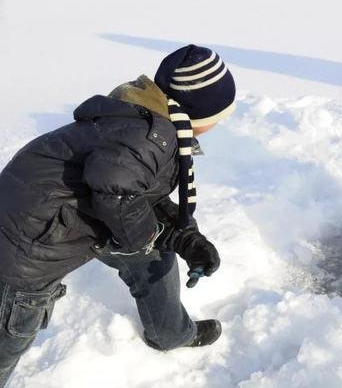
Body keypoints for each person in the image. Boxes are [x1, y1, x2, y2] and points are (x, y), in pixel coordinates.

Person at [0, 44, 236, 386]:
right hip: (26, 250)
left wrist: (183, 235)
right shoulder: (149, 138)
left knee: (153, 257)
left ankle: (168, 333)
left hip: (59, 215)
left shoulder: (144, 117)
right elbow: (118, 192)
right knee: (9, 340)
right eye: (219, 115)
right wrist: (154, 235)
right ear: (200, 116)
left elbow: (132, 190)